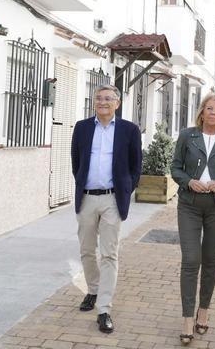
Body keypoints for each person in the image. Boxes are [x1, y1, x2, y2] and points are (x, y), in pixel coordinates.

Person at [171, 93, 215, 345]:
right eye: (209, 108)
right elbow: (175, 167)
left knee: (210, 260)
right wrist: (189, 181)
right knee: (191, 259)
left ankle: (204, 310)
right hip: (188, 204)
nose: (213, 113)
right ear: (202, 112)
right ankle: (187, 318)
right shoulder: (187, 136)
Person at [71, 84, 142, 334]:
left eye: (108, 99)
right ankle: (92, 289)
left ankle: (104, 309)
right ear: (94, 103)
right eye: (99, 98)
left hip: (112, 199)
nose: (103, 102)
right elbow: (76, 162)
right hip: (87, 198)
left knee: (109, 254)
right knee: (86, 250)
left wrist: (125, 189)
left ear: (117, 103)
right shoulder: (81, 128)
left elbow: (136, 166)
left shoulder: (129, 130)